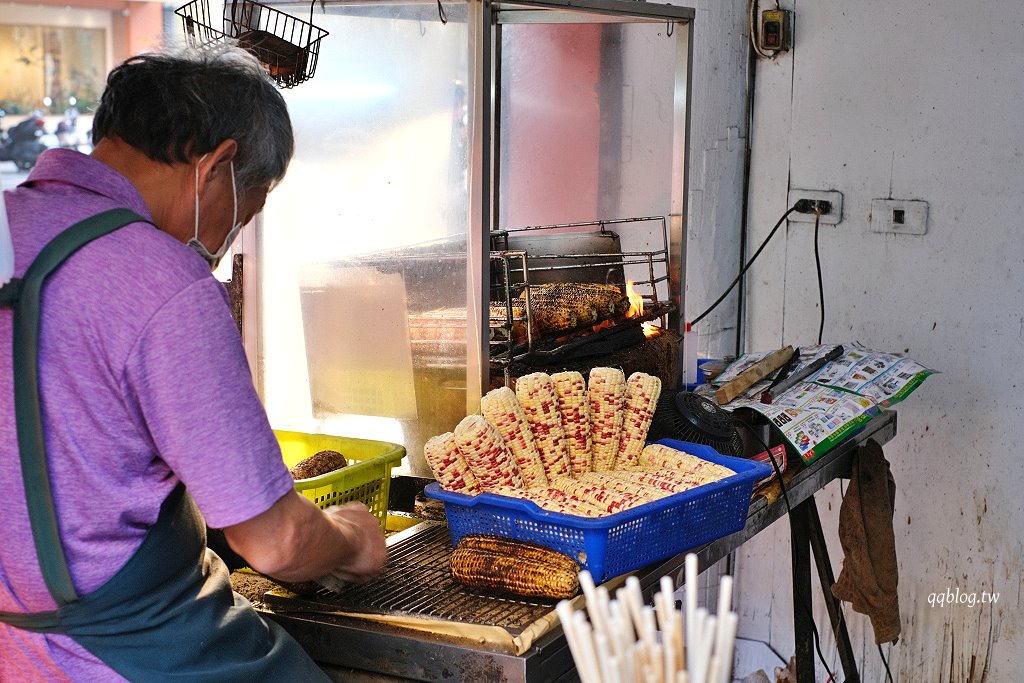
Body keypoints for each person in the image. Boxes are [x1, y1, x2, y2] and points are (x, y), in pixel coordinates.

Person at [0, 45, 387, 681]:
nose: (221, 245)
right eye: (244, 213)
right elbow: (278, 543)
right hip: (132, 652)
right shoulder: (160, 280)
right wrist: (349, 538)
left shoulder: (15, 226)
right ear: (216, 166)